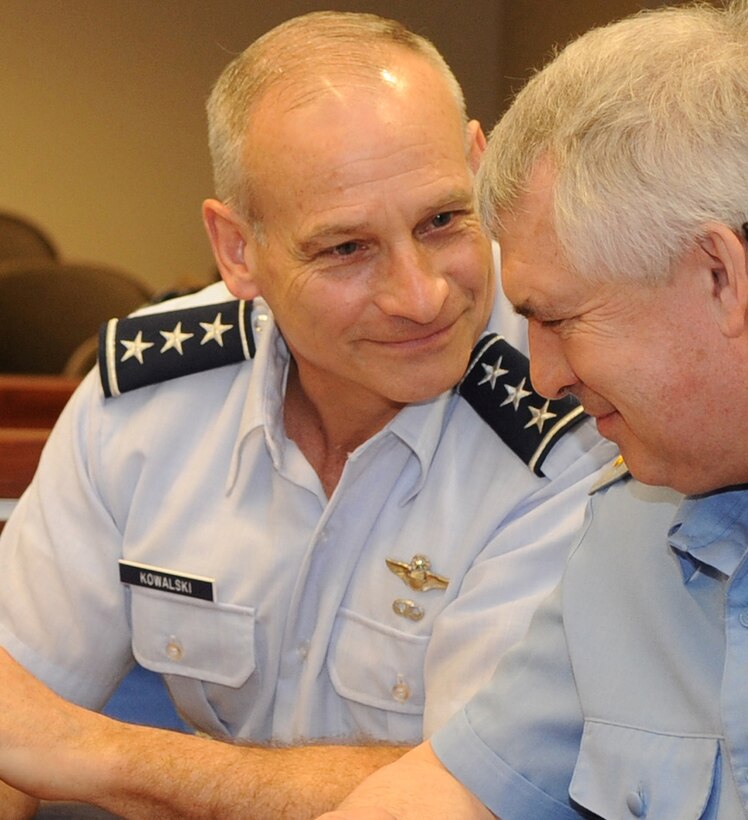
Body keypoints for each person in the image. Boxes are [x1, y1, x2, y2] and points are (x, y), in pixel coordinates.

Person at [0, 10, 612, 818]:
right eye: (346, 249)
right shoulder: (149, 394)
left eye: (443, 220)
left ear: (479, 168)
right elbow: (16, 725)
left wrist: (99, 756)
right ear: (238, 250)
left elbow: (473, 794)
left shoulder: (581, 412)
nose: (421, 295)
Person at [317, 1, 748, 817]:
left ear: (720, 275)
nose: (542, 378)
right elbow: (456, 788)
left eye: (557, 317)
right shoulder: (636, 534)